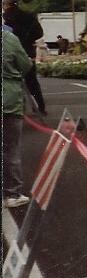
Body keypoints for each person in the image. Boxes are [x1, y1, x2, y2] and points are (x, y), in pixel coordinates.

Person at [2, 27, 33, 207]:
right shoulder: (9, 38)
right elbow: (25, 65)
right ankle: (12, 194)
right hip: (9, 99)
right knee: (10, 148)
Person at [2, 0, 46, 116]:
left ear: (6, 5)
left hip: (10, 51)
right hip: (28, 51)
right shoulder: (30, 16)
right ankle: (40, 107)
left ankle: (16, 108)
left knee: (12, 80)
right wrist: (29, 40)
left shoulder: (6, 18)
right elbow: (39, 33)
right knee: (32, 82)